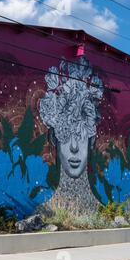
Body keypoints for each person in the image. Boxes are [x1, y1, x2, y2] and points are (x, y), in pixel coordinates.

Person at [39, 57, 103, 215]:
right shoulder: (42, 211)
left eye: (80, 136)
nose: (74, 147)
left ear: (92, 140)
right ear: (54, 139)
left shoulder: (103, 212)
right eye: (66, 135)